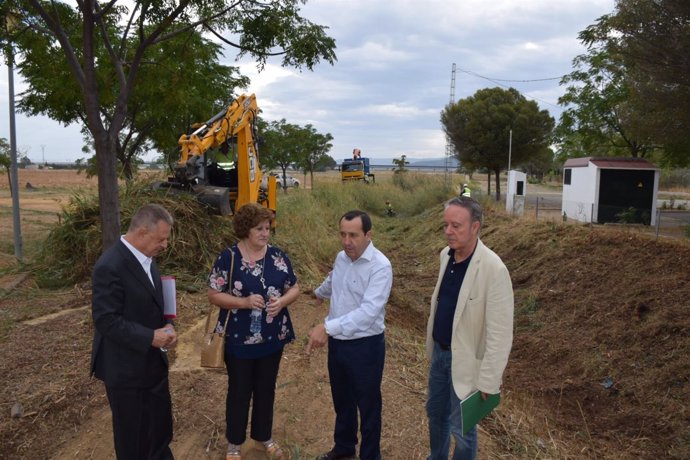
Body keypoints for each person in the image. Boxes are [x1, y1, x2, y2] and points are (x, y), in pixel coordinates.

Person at [208, 203, 300, 460]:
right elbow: (213, 294)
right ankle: (234, 444)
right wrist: (244, 303)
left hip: (273, 337)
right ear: (245, 229)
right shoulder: (229, 258)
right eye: (259, 228)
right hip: (239, 339)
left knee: (266, 388)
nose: (265, 233)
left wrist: (282, 301)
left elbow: (294, 287)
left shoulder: (278, 257)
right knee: (239, 390)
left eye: (268, 228)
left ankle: (264, 436)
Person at [425, 197, 514, 460]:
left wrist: (489, 380)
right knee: (435, 415)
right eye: (445, 225)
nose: (448, 232)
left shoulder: (493, 269)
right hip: (440, 357)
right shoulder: (446, 256)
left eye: (456, 226)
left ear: (475, 227)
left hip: (465, 361)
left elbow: (500, 333)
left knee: (462, 429)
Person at [91, 203, 177, 460]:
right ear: (141, 232)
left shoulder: (149, 260)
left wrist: (168, 326)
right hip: (125, 370)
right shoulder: (110, 265)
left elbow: (151, 304)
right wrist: (151, 337)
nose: (165, 245)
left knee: (159, 429)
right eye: (161, 239)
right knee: (133, 438)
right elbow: (106, 320)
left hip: (153, 365)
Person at [306, 210, 393, 460]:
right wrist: (320, 293)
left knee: (368, 406)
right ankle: (344, 448)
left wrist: (327, 328)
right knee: (342, 400)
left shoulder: (381, 267)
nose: (346, 241)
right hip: (339, 344)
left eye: (353, 235)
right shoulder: (341, 257)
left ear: (368, 234)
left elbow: (368, 312)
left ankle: (369, 456)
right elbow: (335, 280)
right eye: (342, 234)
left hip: (365, 347)